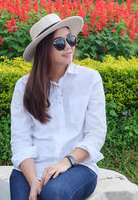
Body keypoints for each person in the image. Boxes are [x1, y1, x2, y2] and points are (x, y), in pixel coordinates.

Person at [10, 13, 107, 200]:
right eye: (60, 43)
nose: (69, 46)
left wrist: (66, 161)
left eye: (71, 39)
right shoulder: (23, 86)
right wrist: (33, 183)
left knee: (53, 192)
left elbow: (95, 134)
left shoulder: (90, 79)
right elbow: (21, 140)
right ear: (44, 49)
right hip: (30, 168)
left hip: (77, 167)